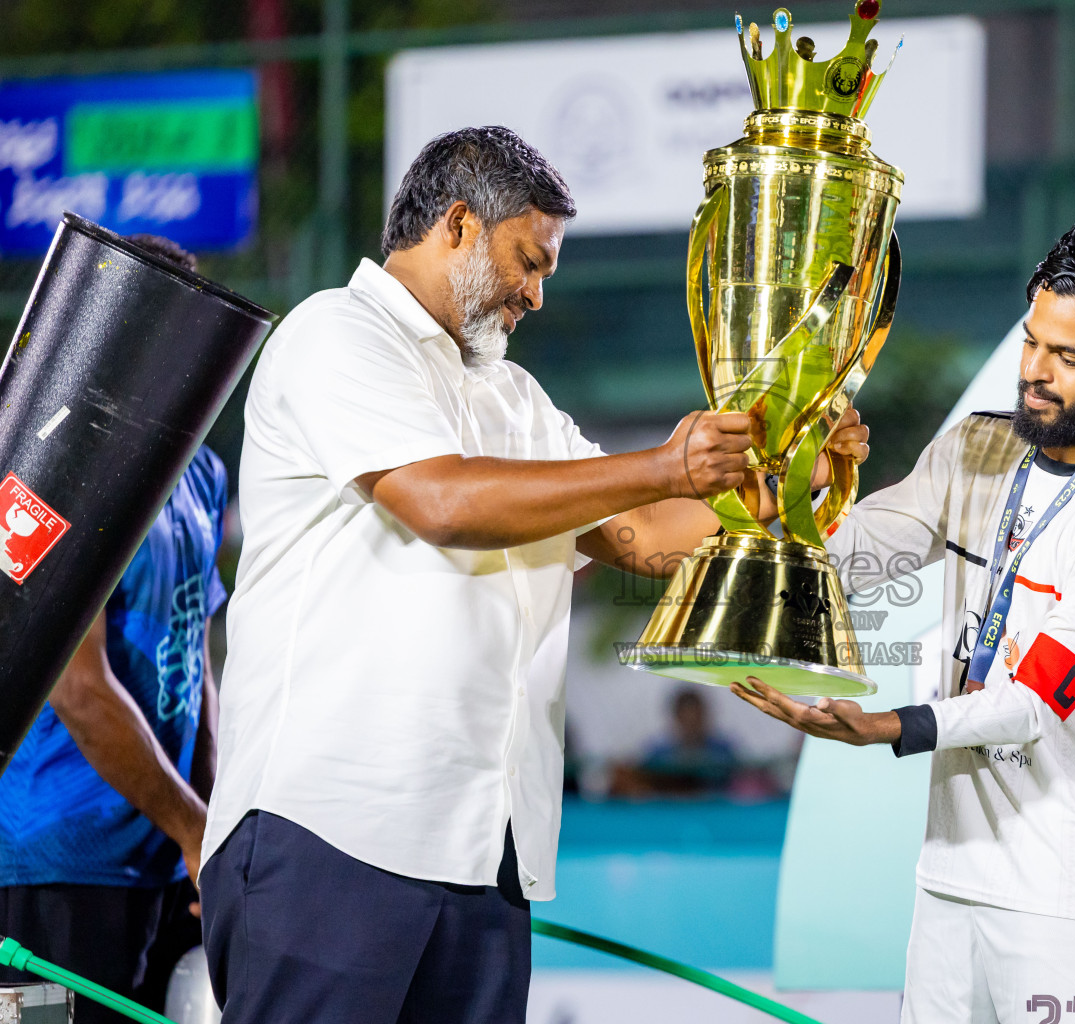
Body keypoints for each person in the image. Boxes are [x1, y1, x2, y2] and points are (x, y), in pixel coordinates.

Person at [197, 125, 868, 1024]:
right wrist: (662, 464)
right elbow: (442, 502)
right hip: (332, 834)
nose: (538, 294)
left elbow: (639, 537)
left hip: (487, 851)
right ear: (460, 225)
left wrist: (796, 472)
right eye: (529, 261)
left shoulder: (514, 398)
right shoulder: (334, 334)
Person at [733, 220, 1075, 1023]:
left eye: (1070, 358)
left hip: (1064, 886)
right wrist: (808, 480)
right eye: (1032, 343)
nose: (1036, 375)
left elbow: (1033, 701)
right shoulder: (977, 447)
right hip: (950, 868)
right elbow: (861, 551)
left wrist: (887, 727)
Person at [0, 235, 226, 1021]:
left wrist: (212, 820)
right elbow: (78, 689)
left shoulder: (199, 465)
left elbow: (196, 652)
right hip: (56, 860)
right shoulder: (49, 458)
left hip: (164, 857)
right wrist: (196, 827)